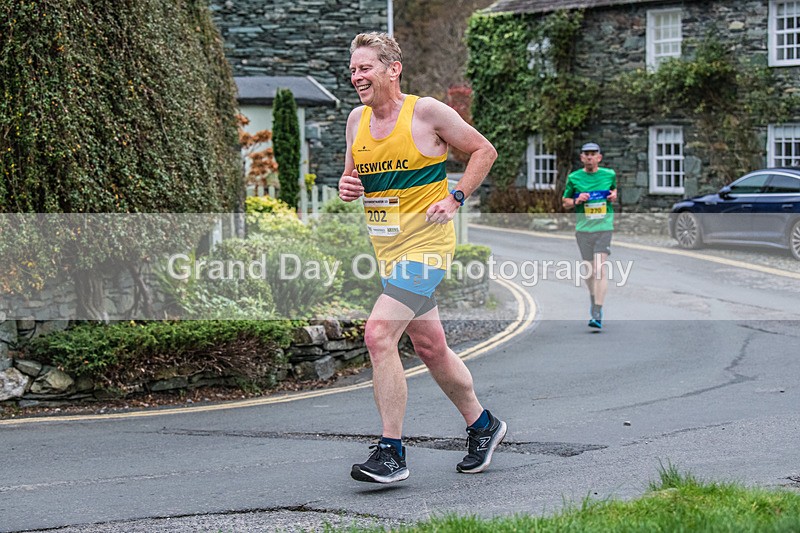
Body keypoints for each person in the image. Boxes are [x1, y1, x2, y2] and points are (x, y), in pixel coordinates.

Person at [338, 31, 506, 484]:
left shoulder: (427, 112)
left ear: (392, 69)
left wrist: (455, 197)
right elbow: (352, 178)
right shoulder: (357, 121)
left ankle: (391, 453)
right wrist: (347, 186)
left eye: (364, 68)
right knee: (431, 348)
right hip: (388, 251)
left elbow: (483, 150)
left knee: (378, 335)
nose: (356, 77)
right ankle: (483, 424)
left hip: (428, 248)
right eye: (352, 70)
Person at [562, 142, 618, 329]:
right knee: (588, 271)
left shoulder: (609, 175)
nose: (589, 157)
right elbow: (565, 202)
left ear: (599, 158)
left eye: (593, 154)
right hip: (583, 230)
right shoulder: (574, 178)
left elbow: (613, 191)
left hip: (603, 227)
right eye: (586, 154)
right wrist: (577, 200)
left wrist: (613, 196)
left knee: (599, 269)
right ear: (581, 158)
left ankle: (597, 311)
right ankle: (594, 297)